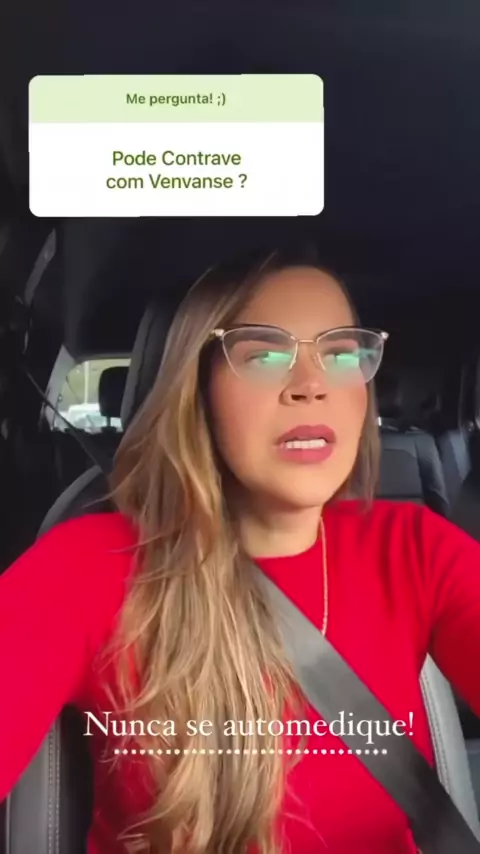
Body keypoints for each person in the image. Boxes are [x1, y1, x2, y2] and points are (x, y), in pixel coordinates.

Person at [1, 250, 480, 854]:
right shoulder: (85, 568)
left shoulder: (412, 548)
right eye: (265, 355)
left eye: (340, 354)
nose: (312, 386)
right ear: (197, 390)